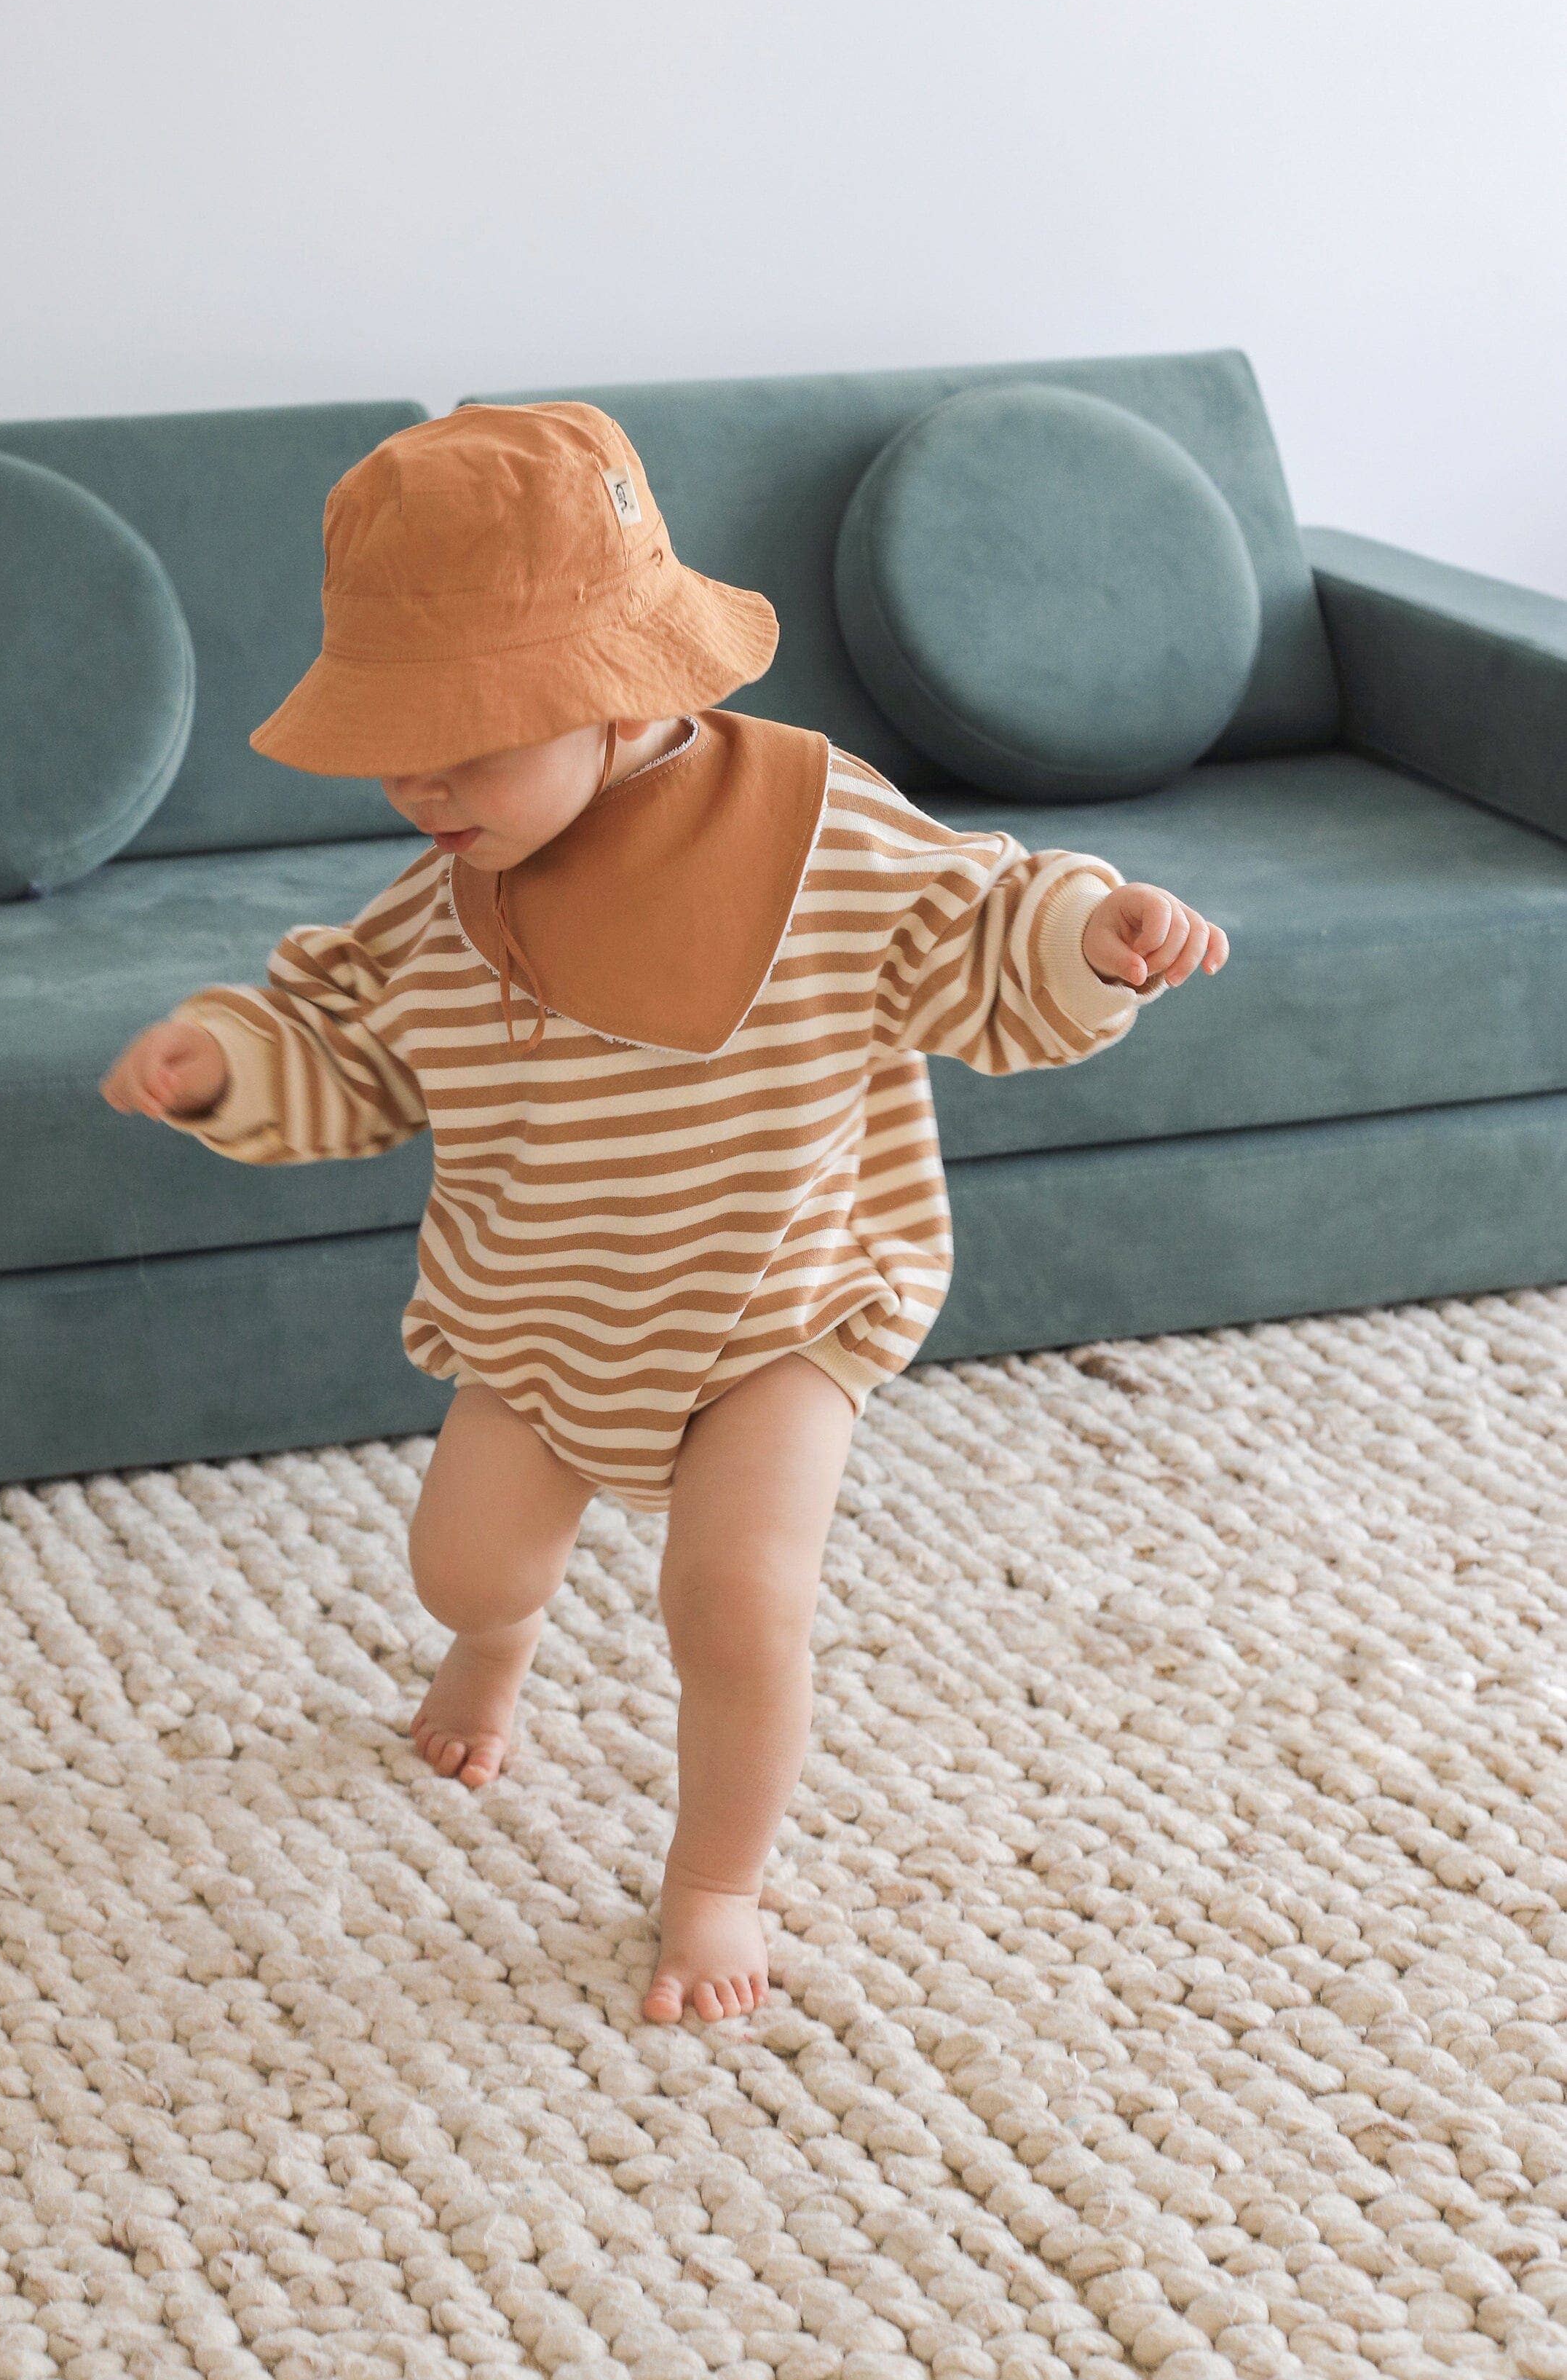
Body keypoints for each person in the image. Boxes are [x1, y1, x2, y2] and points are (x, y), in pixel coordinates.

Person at [100, 399, 1228, 2025]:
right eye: (390, 749)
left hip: (783, 1299)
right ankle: (495, 1645)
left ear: (613, 690)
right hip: (545, 1315)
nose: (418, 783)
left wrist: (1090, 937)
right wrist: (227, 1065)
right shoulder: (442, 903)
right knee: (462, 1567)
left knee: (733, 1594)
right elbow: (344, 1049)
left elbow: (975, 924)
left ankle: (715, 1878)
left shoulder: (816, 830)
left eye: (466, 740)